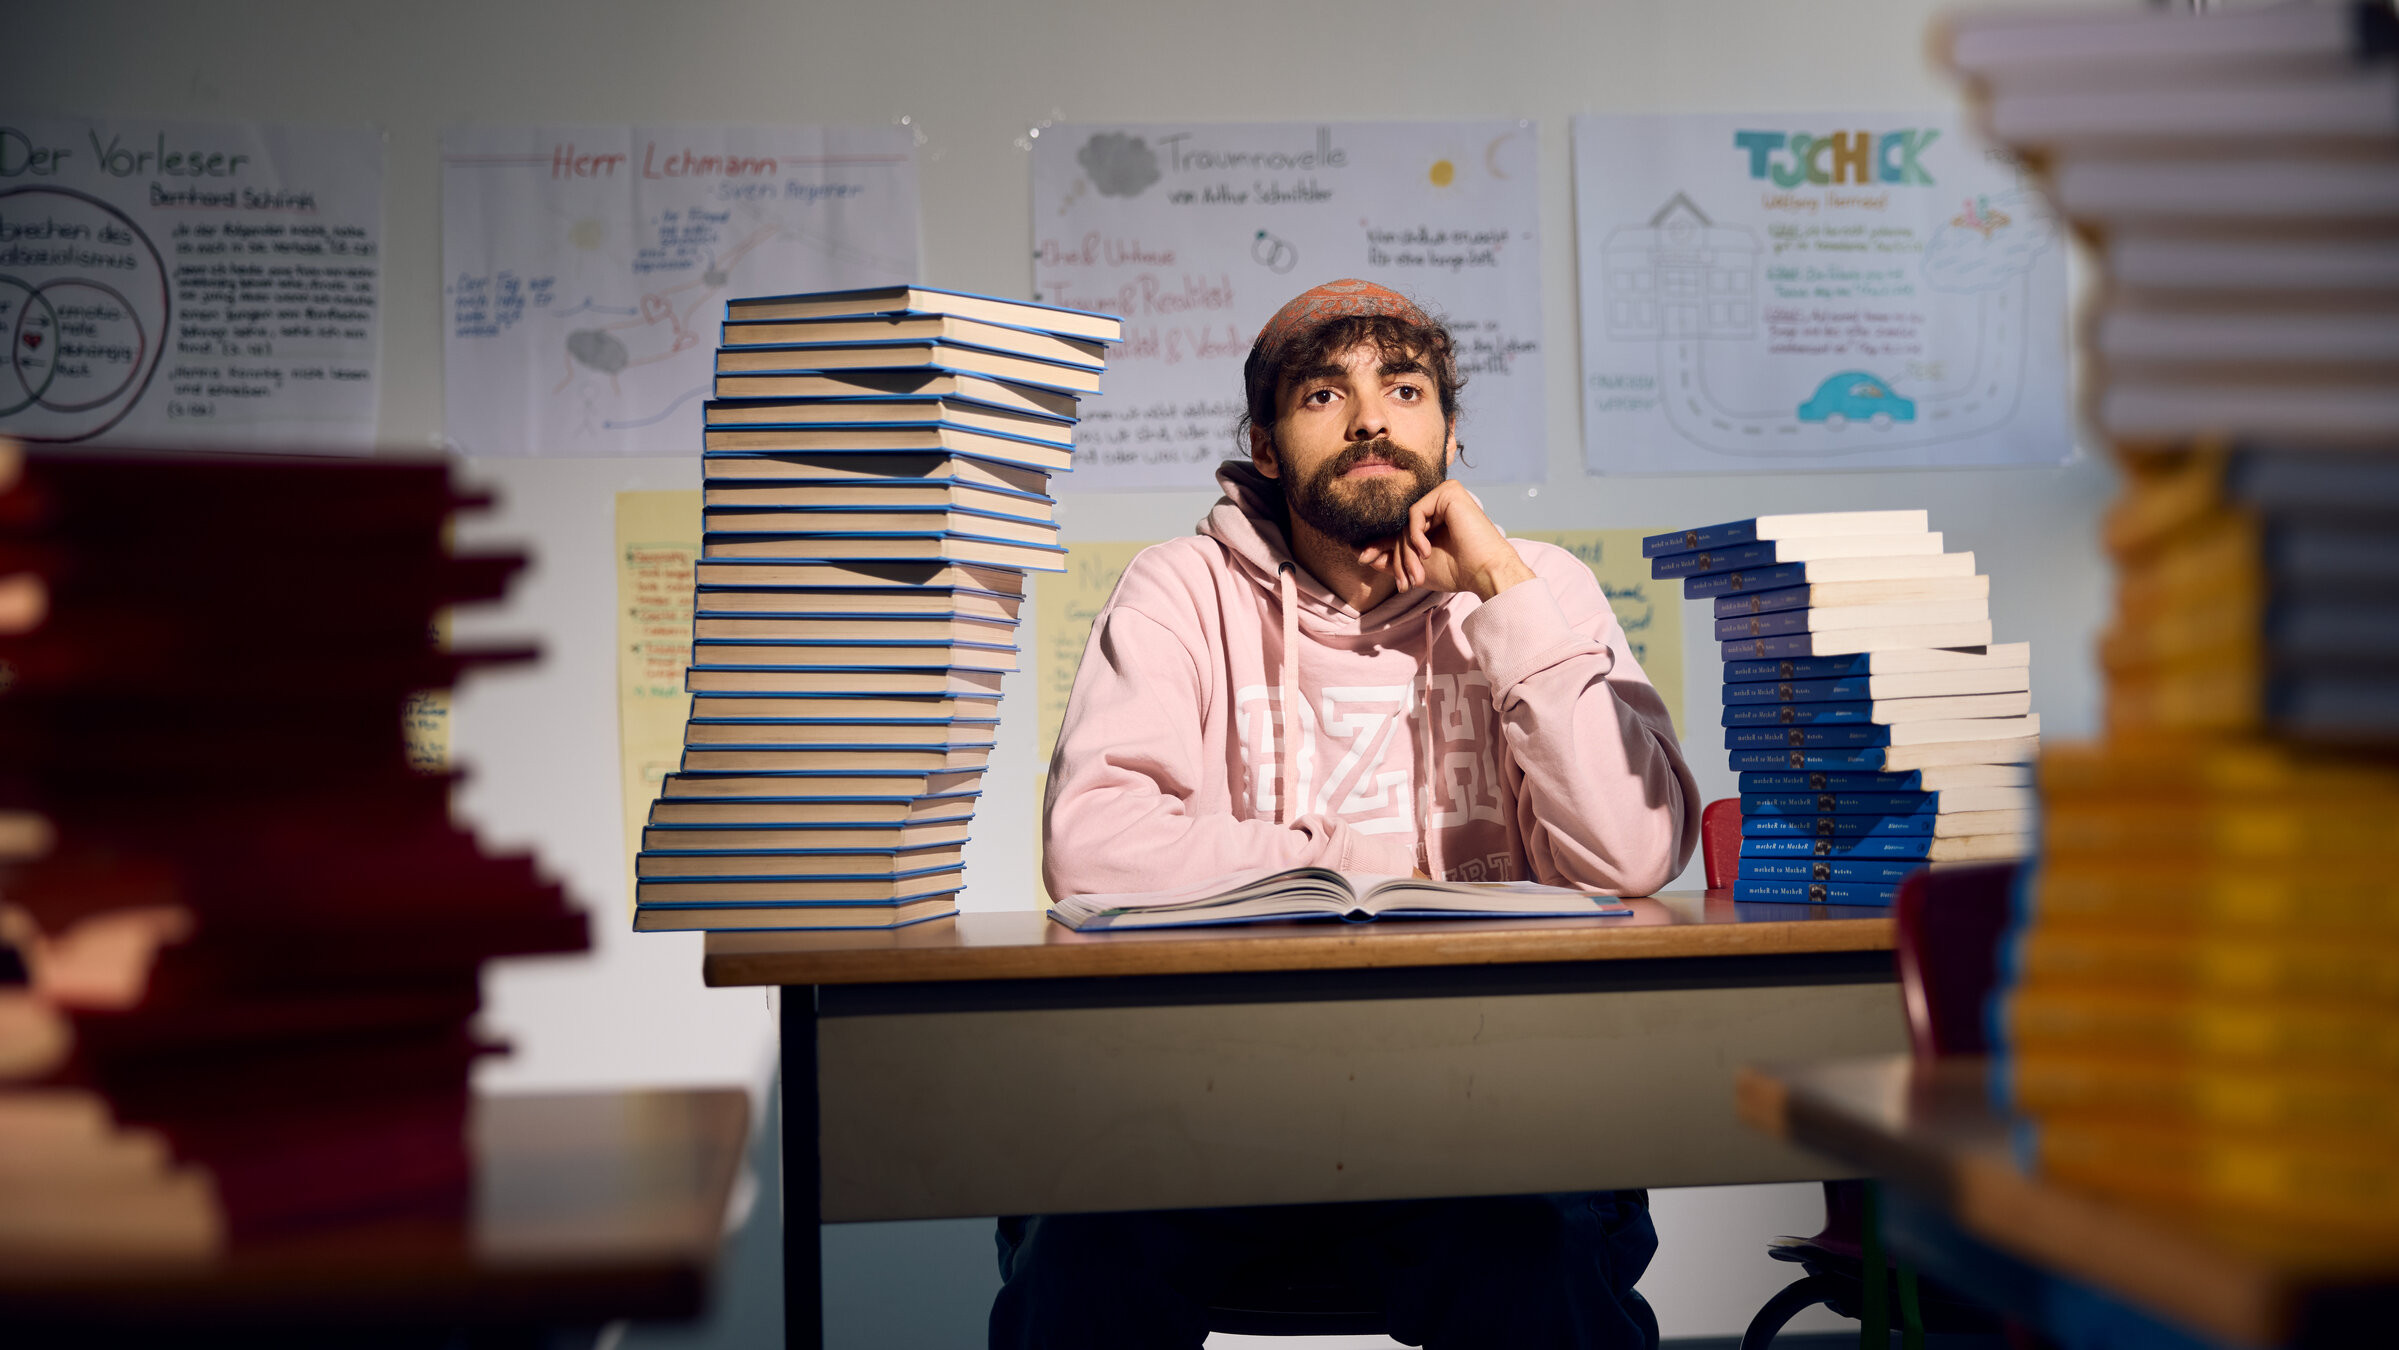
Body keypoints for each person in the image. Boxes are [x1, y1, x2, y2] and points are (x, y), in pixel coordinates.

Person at [995, 279, 1699, 1350]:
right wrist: (1334, 868)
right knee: (1082, 1261)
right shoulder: (1180, 589)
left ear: (1449, 431)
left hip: (1489, 1117)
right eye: (1325, 393)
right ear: (1266, 448)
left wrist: (1502, 591)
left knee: (1535, 1257)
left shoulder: (1535, 589)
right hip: (1211, 1111)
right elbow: (1092, 847)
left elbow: (1632, 850)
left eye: (1404, 388)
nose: (1371, 417)